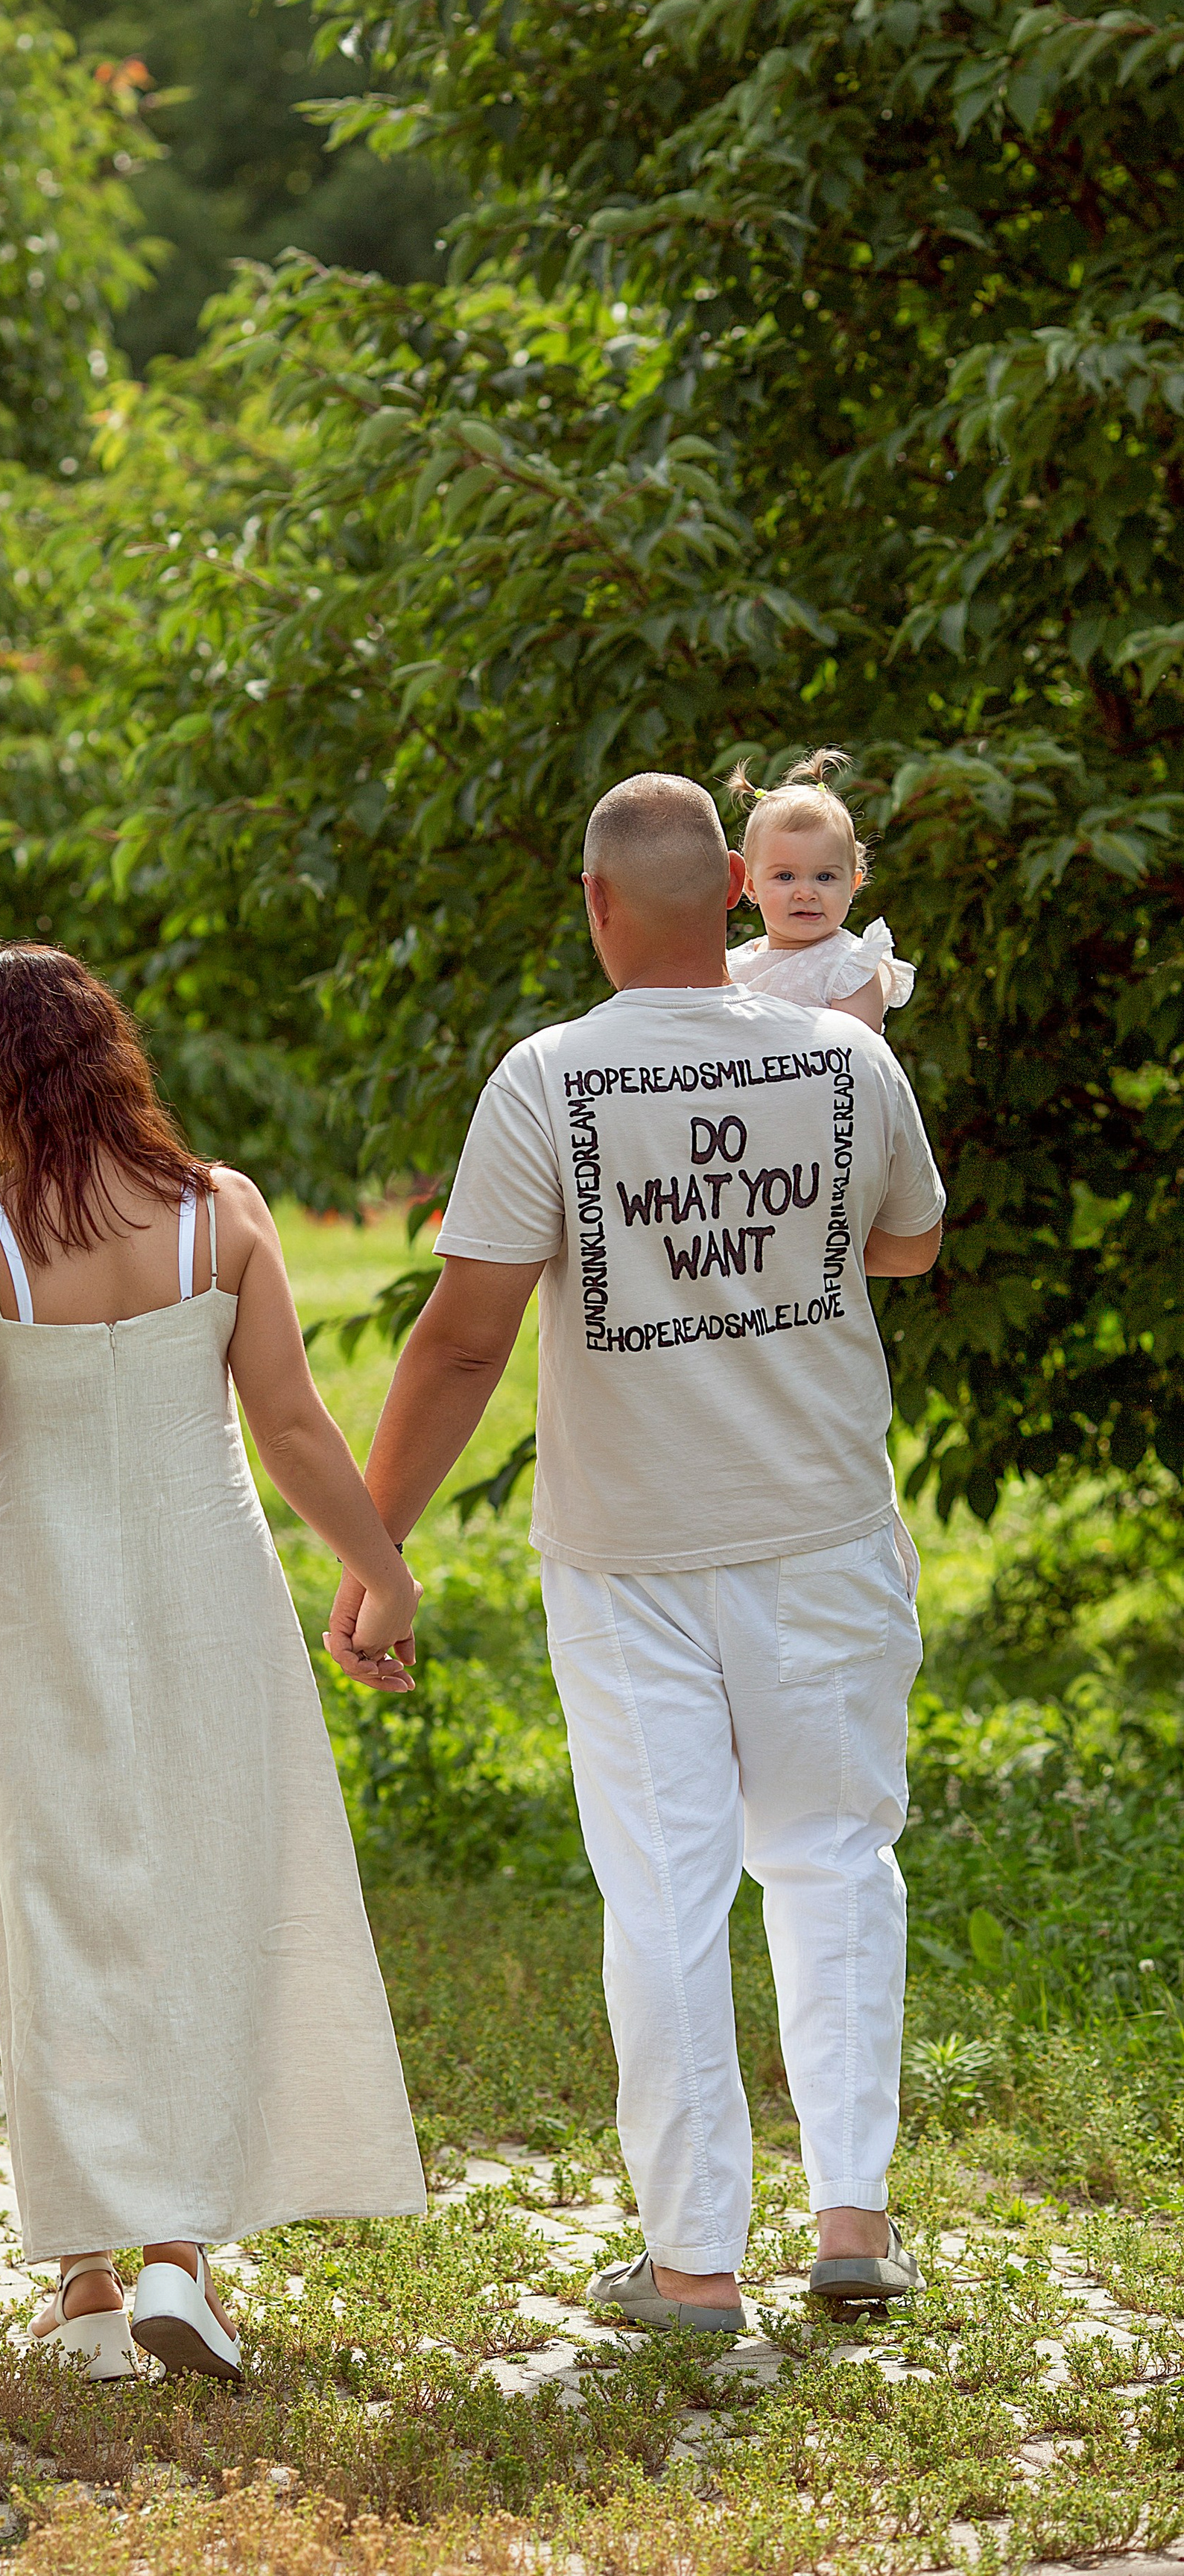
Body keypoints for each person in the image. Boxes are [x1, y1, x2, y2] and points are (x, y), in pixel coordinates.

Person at [329, 773, 946, 2331]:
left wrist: (370, 1541)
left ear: (595, 904)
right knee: (833, 1861)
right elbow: (909, 1244)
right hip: (821, 1529)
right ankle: (852, 2220)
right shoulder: (847, 1056)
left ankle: (690, 2265)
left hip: (626, 1558)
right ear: (736, 883)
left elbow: (461, 1343)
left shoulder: (545, 1077)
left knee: (663, 1894)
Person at [0, 942, 427, 2385]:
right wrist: (381, 1576)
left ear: (14, 1072)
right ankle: (176, 2261)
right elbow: (288, 1428)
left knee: (63, 1912)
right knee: (209, 1903)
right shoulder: (221, 1214)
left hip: (47, 1619)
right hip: (212, 1607)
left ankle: (90, 2280)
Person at [726, 749, 915, 1033]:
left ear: (852, 885)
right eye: (785, 876)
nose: (806, 893)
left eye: (824, 877)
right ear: (751, 886)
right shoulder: (731, 967)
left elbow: (855, 1057)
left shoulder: (848, 968)